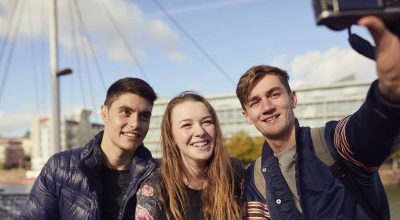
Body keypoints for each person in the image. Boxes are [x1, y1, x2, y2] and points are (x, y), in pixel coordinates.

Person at [237, 16, 400, 219]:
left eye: (274, 94)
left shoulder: (333, 143)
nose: (267, 107)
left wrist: (390, 92)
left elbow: (371, 129)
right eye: (255, 102)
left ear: (293, 98)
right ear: (247, 116)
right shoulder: (255, 178)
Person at [20, 77, 158, 219]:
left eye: (144, 116)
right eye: (125, 112)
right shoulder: (60, 168)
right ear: (104, 113)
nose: (135, 124)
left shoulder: (160, 176)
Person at [135, 91, 244, 220]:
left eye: (206, 122)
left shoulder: (234, 173)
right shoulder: (155, 187)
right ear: (171, 137)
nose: (200, 132)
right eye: (187, 125)